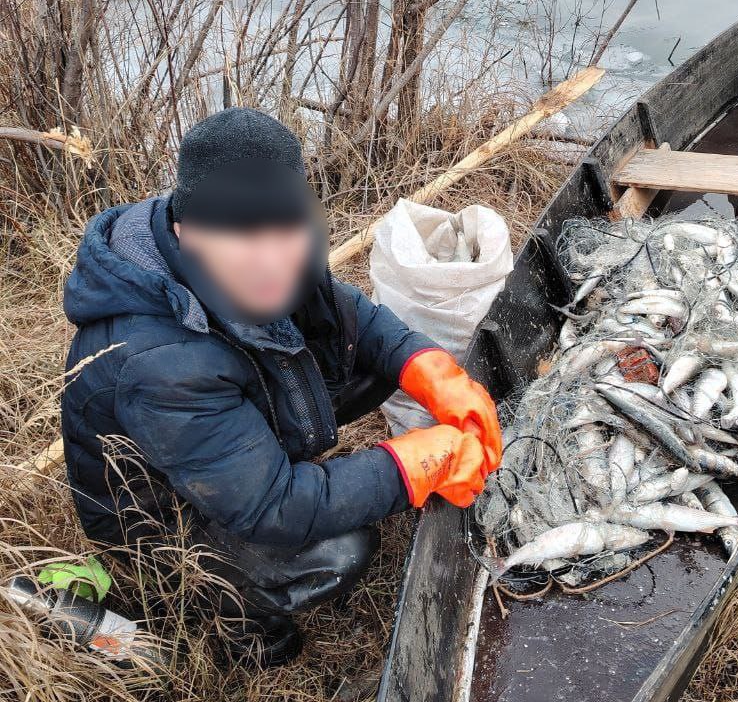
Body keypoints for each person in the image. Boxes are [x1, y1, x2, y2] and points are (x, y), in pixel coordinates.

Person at [61, 108, 502, 666]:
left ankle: (284, 460)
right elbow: (272, 508)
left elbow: (355, 319)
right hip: (165, 520)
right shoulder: (157, 358)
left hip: (222, 433)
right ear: (186, 229)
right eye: (243, 236)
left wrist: (428, 368)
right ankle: (229, 625)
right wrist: (410, 467)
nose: (272, 261)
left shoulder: (282, 256)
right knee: (338, 551)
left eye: (286, 231)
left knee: (366, 360)